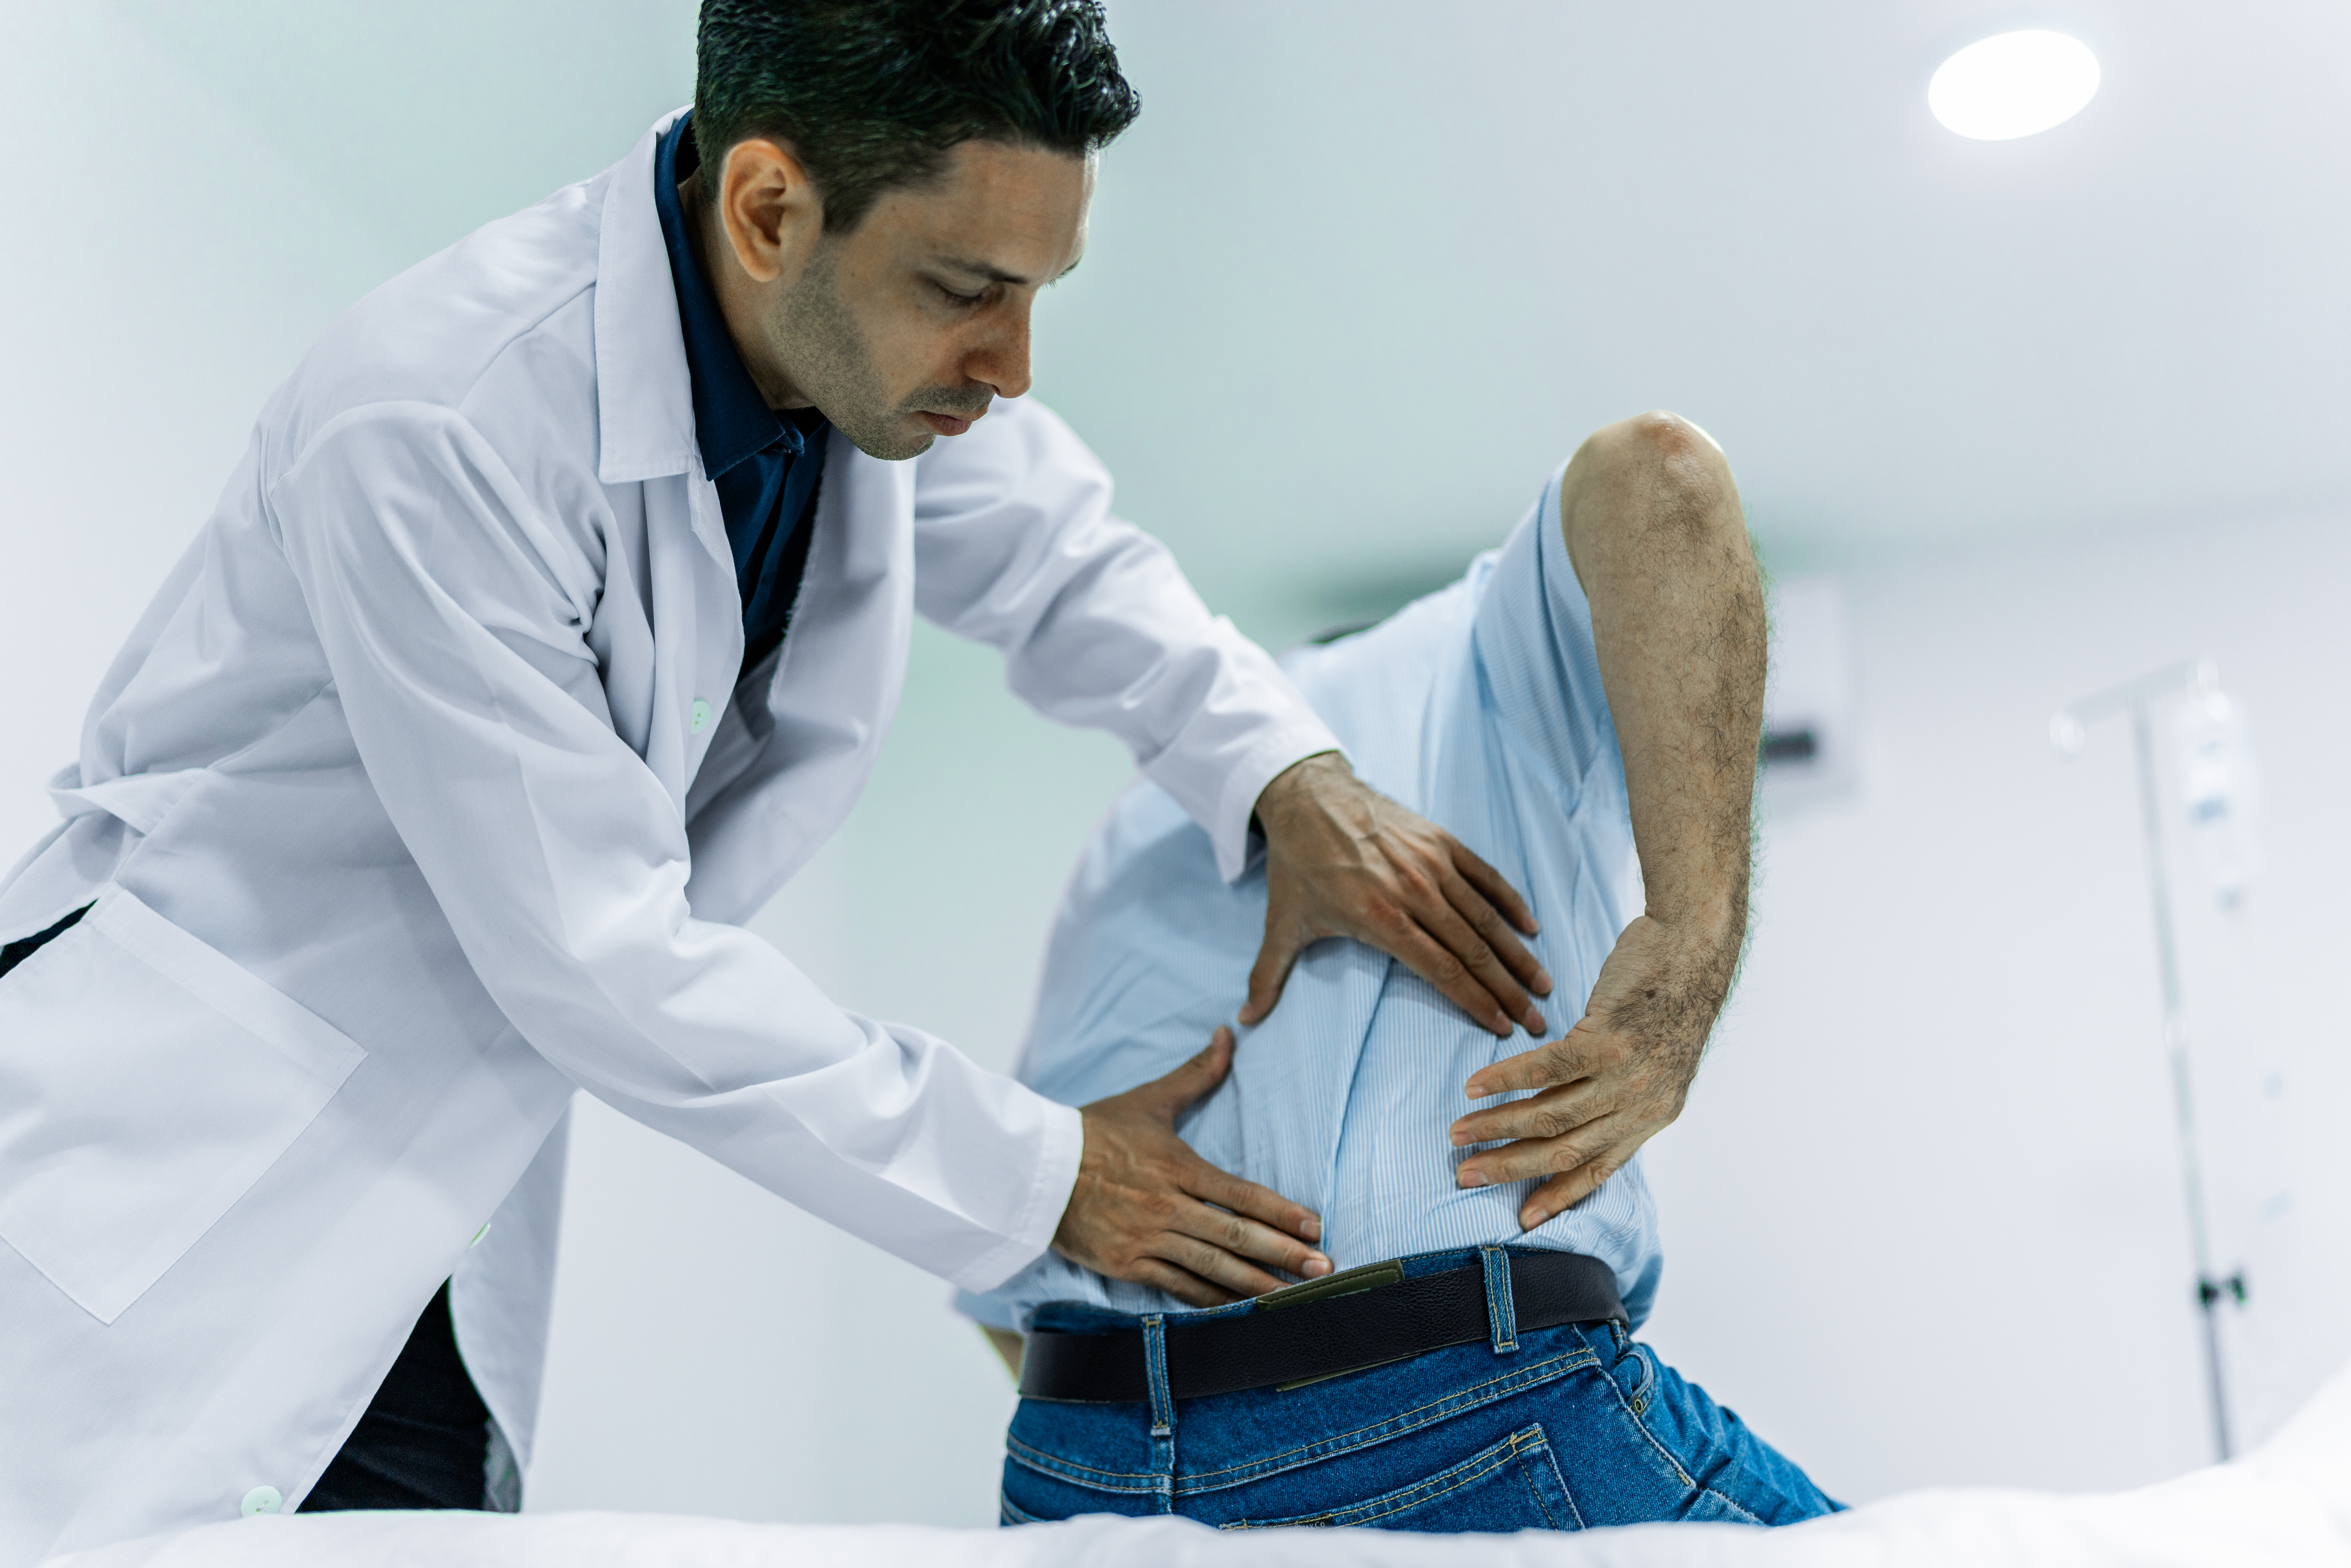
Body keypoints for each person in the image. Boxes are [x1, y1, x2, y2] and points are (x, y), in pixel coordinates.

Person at [0, 4, 1575, 1559]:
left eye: (1039, 293)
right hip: (163, 1177)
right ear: (767, 211)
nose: (1014, 366)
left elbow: (1067, 564)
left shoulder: (857, 367)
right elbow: (602, 952)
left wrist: (1285, 771)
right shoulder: (440, 416)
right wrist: (1045, 1174)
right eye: (970, 289)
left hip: (432, 1226)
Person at [959, 418, 1840, 1531]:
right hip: (1465, 1412)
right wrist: (1688, 952)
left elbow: (1005, 1280)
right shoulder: (1468, 652)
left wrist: (1186, 1430)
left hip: (1083, 1474)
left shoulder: (1130, 825)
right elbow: (1659, 474)